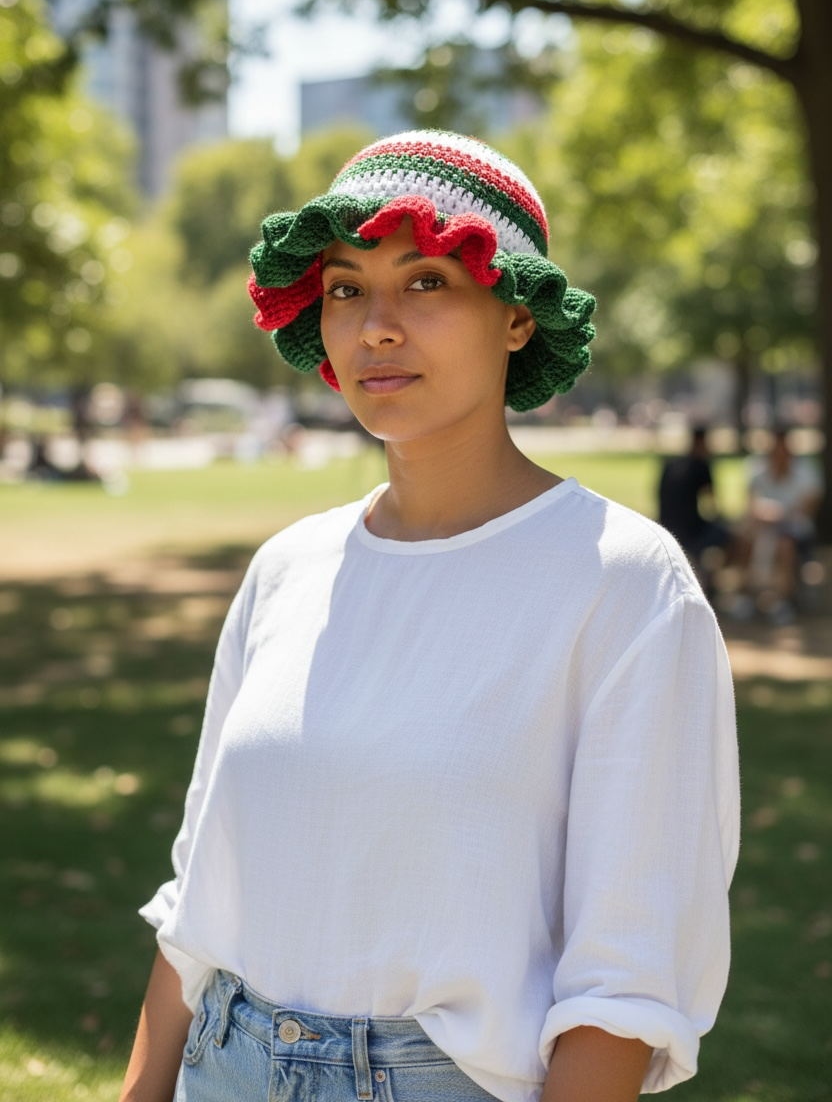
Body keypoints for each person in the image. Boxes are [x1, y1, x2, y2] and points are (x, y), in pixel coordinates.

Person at [120, 131, 739, 1102]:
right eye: (344, 288)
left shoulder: (624, 585)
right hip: (222, 1065)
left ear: (516, 318)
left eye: (426, 283)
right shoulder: (286, 570)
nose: (375, 327)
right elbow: (201, 896)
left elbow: (623, 988)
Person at [737, 426, 823, 624]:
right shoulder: (756, 468)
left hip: (795, 529)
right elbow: (752, 503)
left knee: (785, 545)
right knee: (745, 538)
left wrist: (779, 514)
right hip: (763, 527)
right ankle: (748, 593)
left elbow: (808, 507)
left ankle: (783, 599)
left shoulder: (806, 471)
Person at [657, 426, 731, 587]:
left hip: (666, 526)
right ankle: (712, 581)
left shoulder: (670, 465)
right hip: (691, 531)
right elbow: (711, 504)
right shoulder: (701, 465)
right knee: (728, 536)